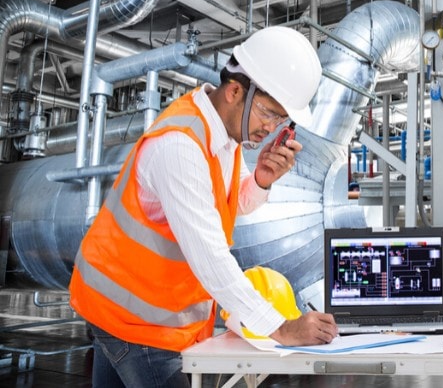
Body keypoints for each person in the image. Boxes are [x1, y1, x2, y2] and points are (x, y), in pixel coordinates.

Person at [68, 26, 338, 388]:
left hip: (131, 307)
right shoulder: (180, 146)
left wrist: (261, 179)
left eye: (281, 121)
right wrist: (281, 328)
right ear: (235, 91)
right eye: (269, 114)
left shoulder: (226, 136)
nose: (272, 129)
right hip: (140, 323)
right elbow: (210, 256)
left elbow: (231, 205)